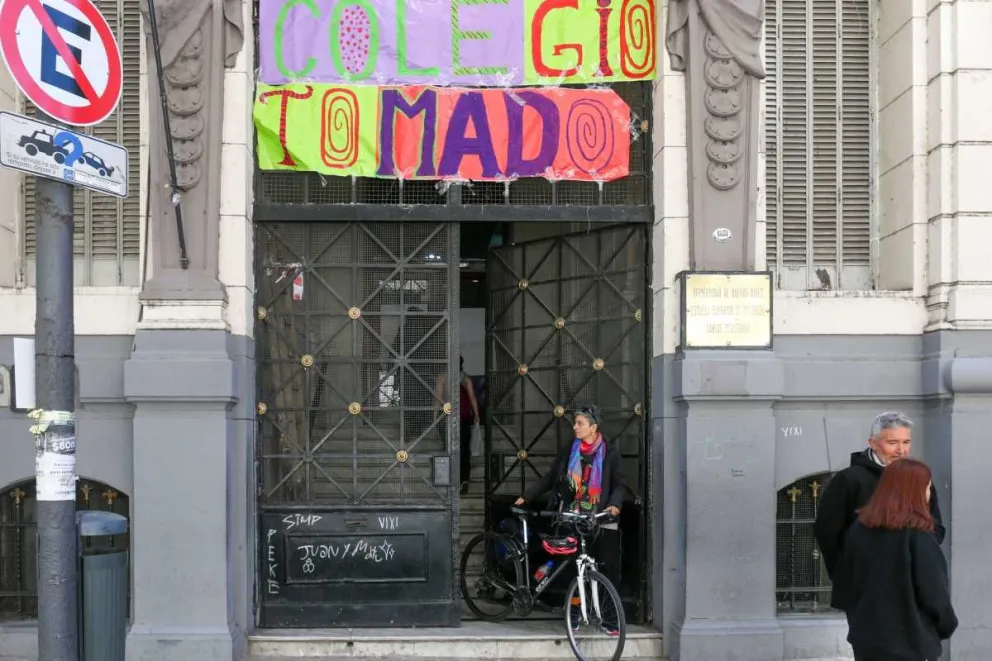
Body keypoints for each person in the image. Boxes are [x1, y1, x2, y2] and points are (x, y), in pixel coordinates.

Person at [513, 405, 628, 631]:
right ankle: (574, 614)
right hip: (572, 517)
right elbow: (551, 478)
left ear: (593, 428)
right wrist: (527, 496)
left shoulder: (610, 452)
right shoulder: (570, 450)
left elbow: (619, 483)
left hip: (600, 518)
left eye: (580, 424)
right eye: (575, 423)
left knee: (607, 569)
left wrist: (615, 504)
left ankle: (610, 619)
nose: (575, 427)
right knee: (572, 570)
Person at [814, 412, 945, 609]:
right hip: (864, 587)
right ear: (873, 443)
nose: (901, 450)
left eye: (906, 442)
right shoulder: (849, 480)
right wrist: (848, 574)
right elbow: (828, 533)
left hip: (911, 588)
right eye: (892, 443)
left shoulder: (918, 478)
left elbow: (936, 528)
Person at [837, 458, 957, 661]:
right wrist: (946, 625)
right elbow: (934, 591)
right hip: (910, 642)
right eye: (927, 487)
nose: (929, 494)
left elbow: (849, 582)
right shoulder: (918, 535)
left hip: (867, 640)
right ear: (915, 492)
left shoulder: (858, 529)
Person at [434, 356, 480, 495]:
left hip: (446, 417)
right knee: (464, 449)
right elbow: (472, 398)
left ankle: (447, 481)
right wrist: (477, 415)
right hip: (463, 418)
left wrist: (434, 417)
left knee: (447, 447)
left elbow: (438, 398)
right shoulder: (465, 378)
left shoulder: (442, 377)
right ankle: (464, 479)